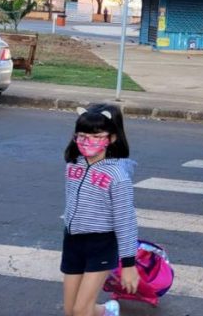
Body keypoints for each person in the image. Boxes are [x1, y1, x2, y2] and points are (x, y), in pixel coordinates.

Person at [62, 104, 139, 316]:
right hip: (73, 240)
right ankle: (107, 311)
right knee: (71, 310)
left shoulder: (118, 176)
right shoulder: (72, 166)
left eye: (96, 137)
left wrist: (128, 264)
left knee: (81, 310)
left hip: (101, 243)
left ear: (112, 138)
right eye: (82, 136)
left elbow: (126, 221)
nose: (87, 142)